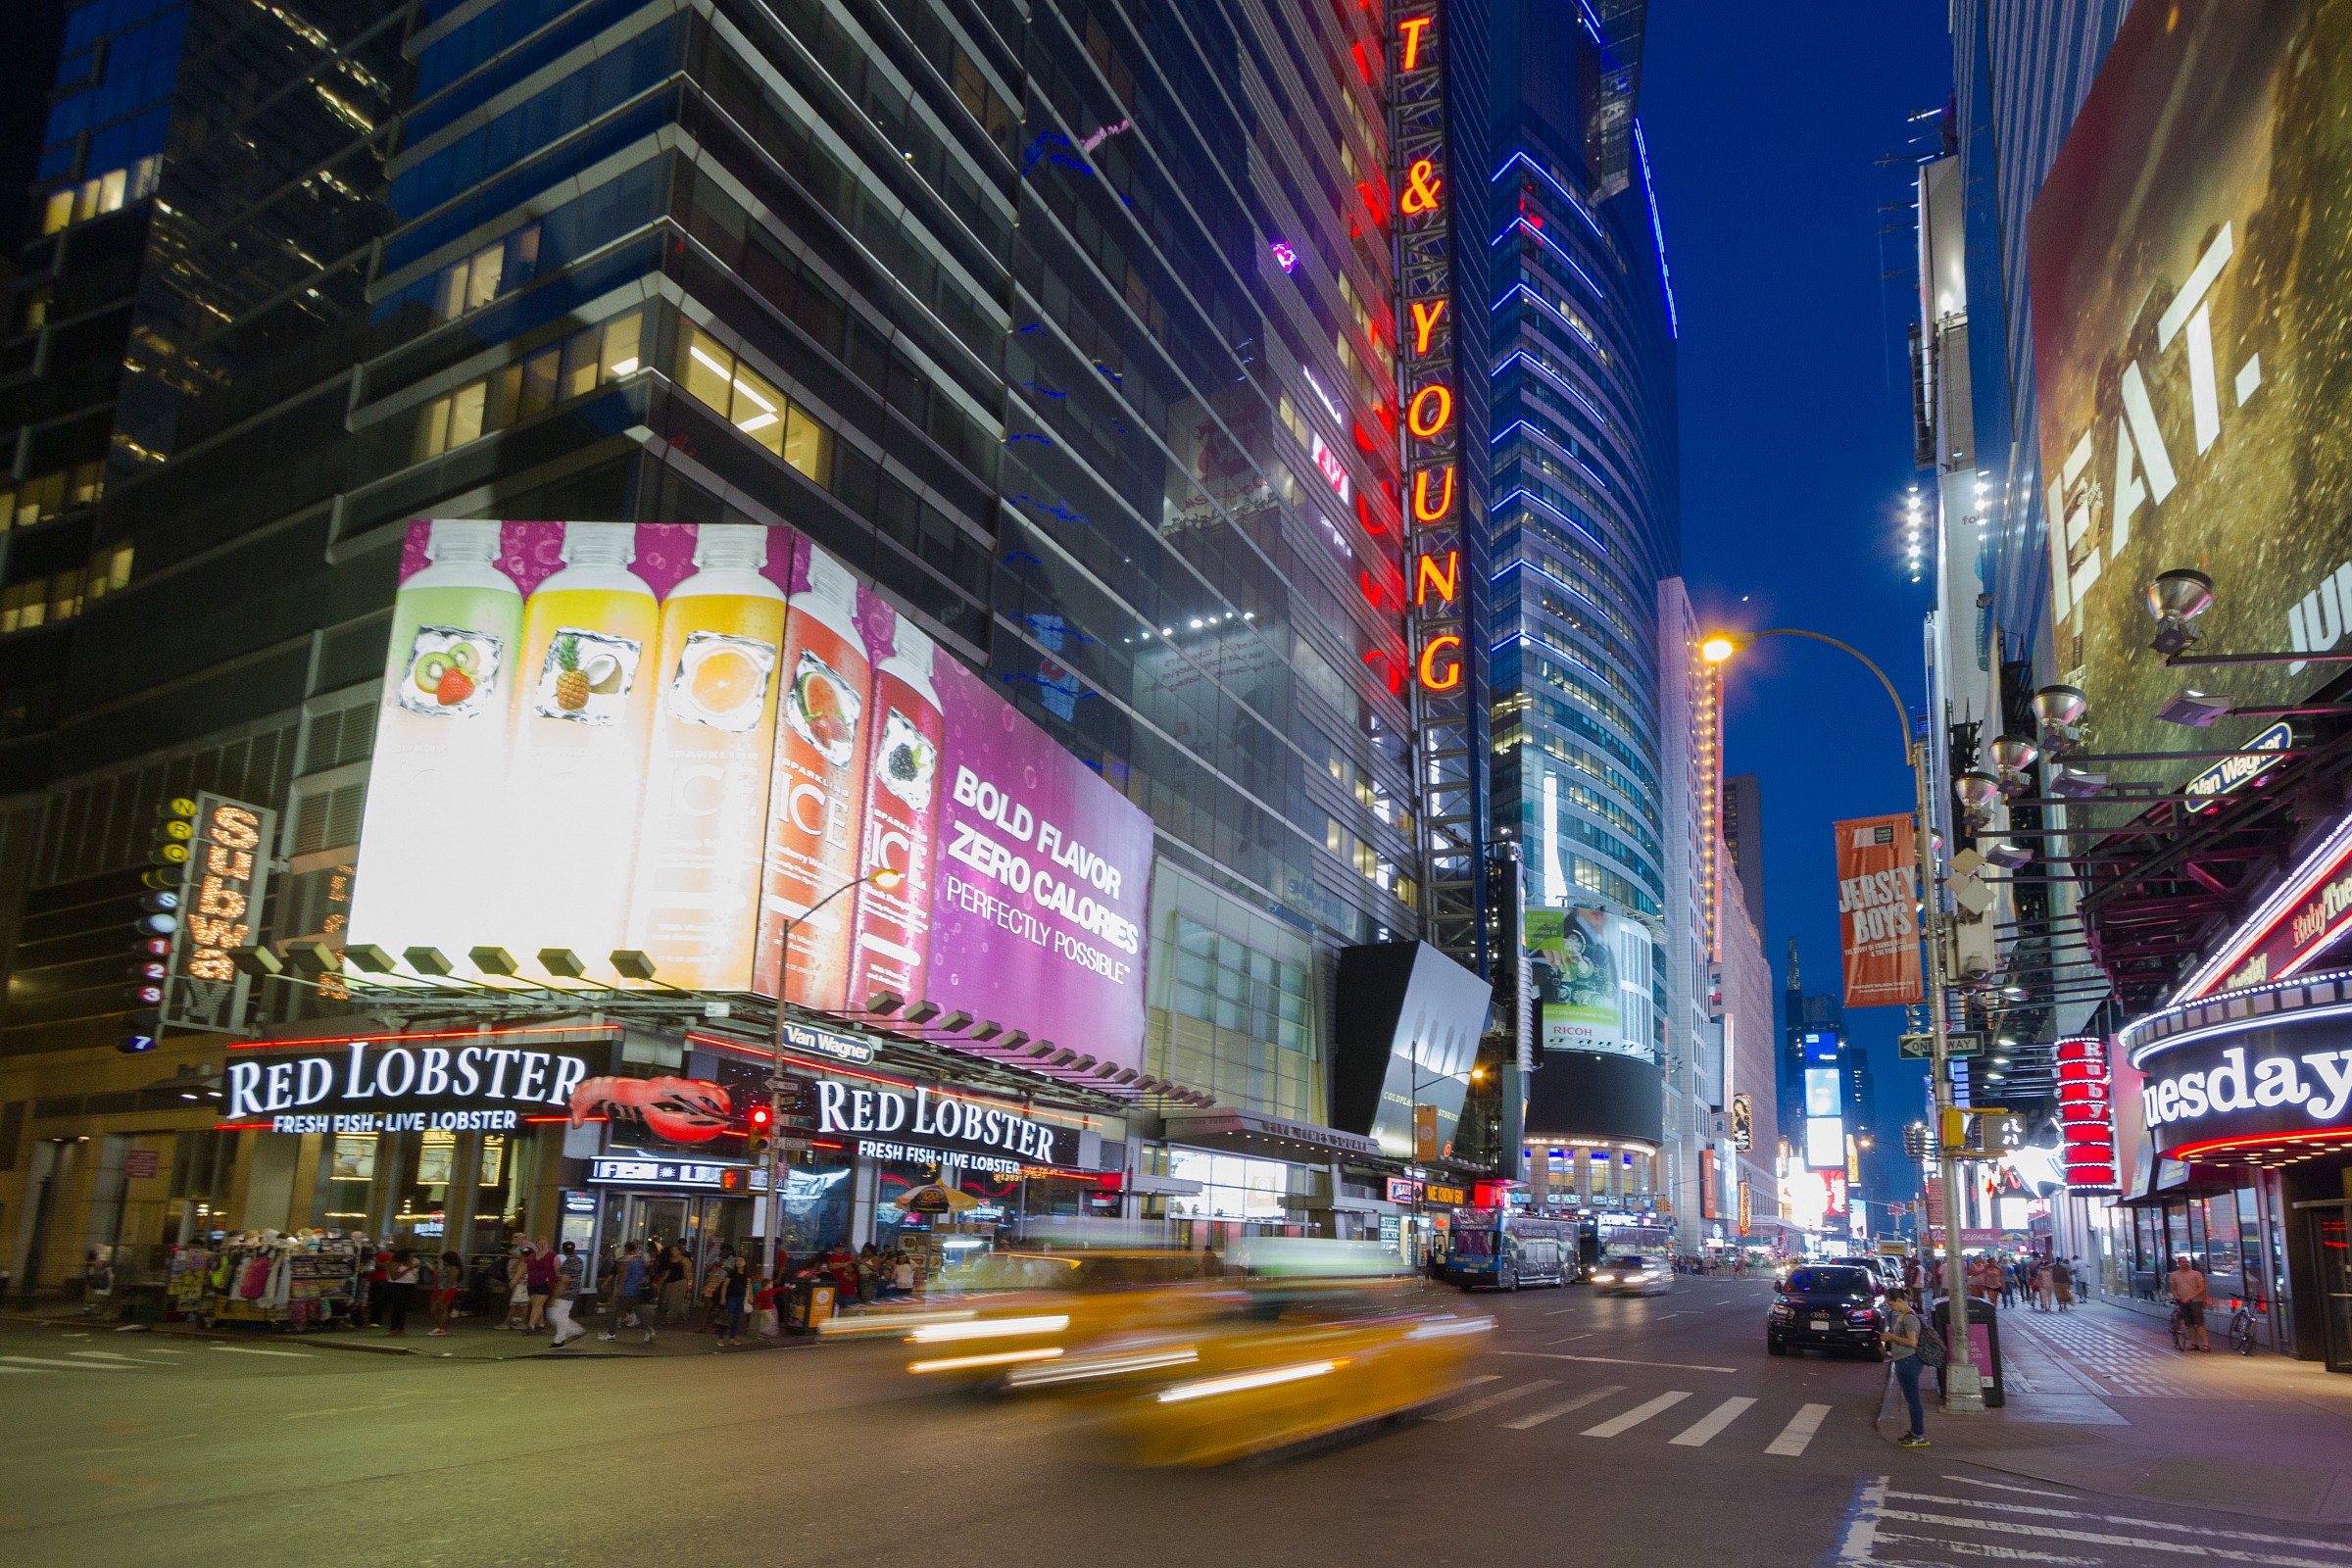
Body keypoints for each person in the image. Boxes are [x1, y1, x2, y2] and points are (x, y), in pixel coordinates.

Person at [1883, 1287, 1930, 1449]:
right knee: (1910, 1399)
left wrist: (1891, 1337)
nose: (1890, 1307)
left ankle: (1919, 1434)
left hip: (1909, 1361)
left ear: (1900, 1301)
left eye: (1891, 1303)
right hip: (1903, 1361)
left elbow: (1912, 1342)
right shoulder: (1902, 1316)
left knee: (1913, 1399)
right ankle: (1915, 1431)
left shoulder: (1910, 1318)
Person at [603, 1242, 654, 1345]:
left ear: (626, 1250)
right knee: (639, 1313)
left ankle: (611, 1334)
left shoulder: (624, 1262)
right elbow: (645, 1277)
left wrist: (616, 1293)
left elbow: (622, 1279)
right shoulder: (640, 1262)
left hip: (626, 1291)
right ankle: (649, 1331)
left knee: (616, 1312)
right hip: (637, 1290)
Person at [547, 1241, 587, 1349]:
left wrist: (554, 1297)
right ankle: (559, 1341)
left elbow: (563, 1281)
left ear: (563, 1250)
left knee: (553, 1314)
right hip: (573, 1292)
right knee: (563, 1316)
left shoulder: (567, 1264)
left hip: (564, 1294)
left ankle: (577, 1330)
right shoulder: (579, 1261)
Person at [2169, 1253, 2210, 1351]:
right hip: (2182, 1301)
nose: (2185, 1263)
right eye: (2183, 1262)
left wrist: (2192, 1296)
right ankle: (2194, 1343)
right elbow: (2173, 1288)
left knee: (2199, 1323)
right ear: (2178, 1263)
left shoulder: (2196, 1274)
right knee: (2189, 1323)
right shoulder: (2174, 1275)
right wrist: (2177, 1296)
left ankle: (2206, 1344)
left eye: (2186, 1262)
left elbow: (2202, 1287)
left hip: (2195, 1301)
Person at [380, 1249, 418, 1336]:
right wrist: (408, 1269)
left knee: (403, 1308)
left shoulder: (410, 1263)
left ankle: (401, 1328)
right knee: (398, 1307)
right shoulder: (395, 1263)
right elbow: (394, 1276)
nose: (412, 1258)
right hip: (397, 1286)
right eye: (411, 1256)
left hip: (409, 1286)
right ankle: (394, 1328)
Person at [429, 1250, 464, 1337]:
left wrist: (443, 1294)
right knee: (434, 1309)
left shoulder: (454, 1269)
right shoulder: (446, 1268)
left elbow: (450, 1282)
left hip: (447, 1289)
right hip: (440, 1289)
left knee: (442, 1308)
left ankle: (441, 1327)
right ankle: (439, 1326)